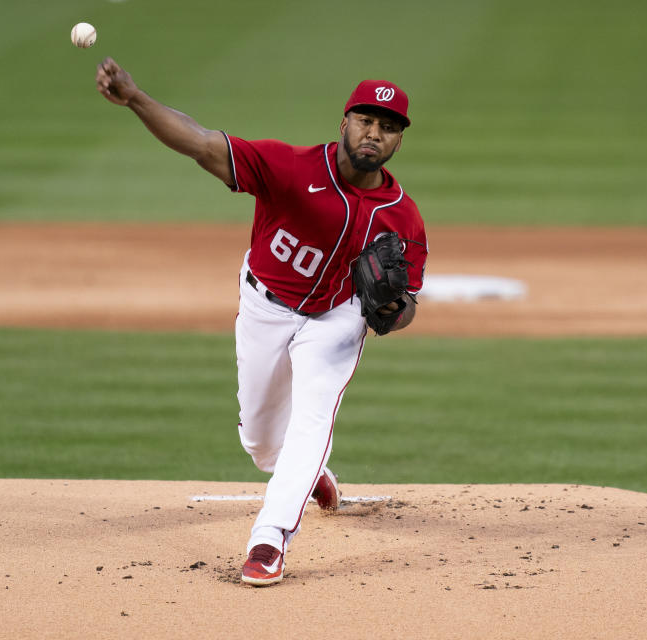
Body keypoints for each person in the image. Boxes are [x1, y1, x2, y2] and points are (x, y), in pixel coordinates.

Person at [95, 58, 428, 586]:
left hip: (336, 321)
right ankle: (309, 473)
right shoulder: (290, 166)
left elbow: (407, 303)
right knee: (261, 444)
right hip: (265, 307)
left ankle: (269, 540)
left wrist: (391, 310)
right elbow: (202, 144)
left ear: (398, 141)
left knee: (313, 417)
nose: (375, 133)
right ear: (344, 123)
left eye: (388, 127)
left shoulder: (401, 214)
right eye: (366, 120)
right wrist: (135, 98)